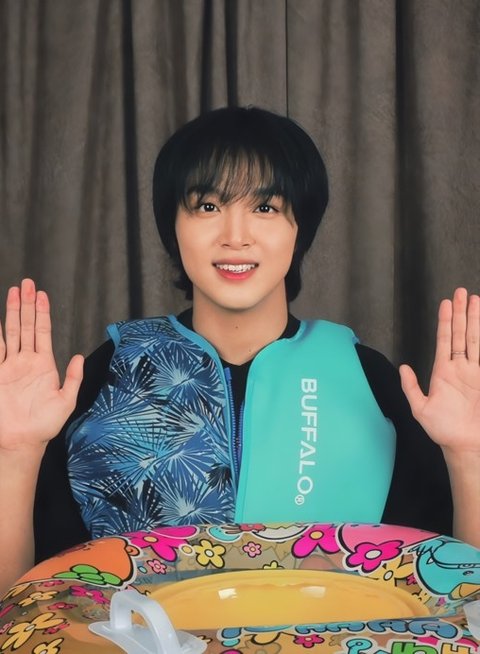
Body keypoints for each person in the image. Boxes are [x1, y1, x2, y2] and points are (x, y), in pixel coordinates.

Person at [0, 107, 479, 598]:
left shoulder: (366, 382)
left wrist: (469, 457)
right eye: (208, 206)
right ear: (173, 226)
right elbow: (24, 604)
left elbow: (457, 593)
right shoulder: (111, 374)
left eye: (265, 208)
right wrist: (15, 455)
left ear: (300, 228)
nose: (235, 236)